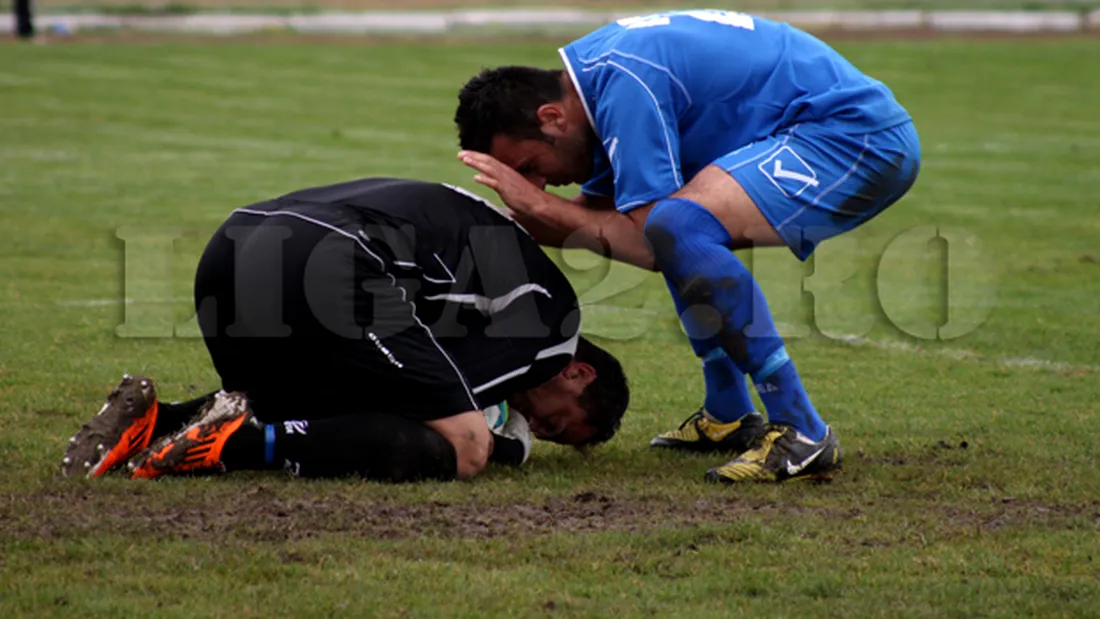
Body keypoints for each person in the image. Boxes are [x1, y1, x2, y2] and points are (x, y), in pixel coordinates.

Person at [454, 9, 922, 483]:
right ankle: (728, 414)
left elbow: (644, 240)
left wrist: (541, 207)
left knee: (678, 226)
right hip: (817, 130)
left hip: (852, 136)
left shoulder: (624, 82)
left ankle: (802, 431)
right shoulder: (601, 81)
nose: (541, 184)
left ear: (552, 118)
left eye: (531, 166)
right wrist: (483, 227)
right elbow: (594, 221)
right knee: (675, 226)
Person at [61, 178, 629, 482]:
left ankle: (161, 421)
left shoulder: (477, 287)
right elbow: (432, 416)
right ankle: (237, 445)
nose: (532, 418)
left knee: (306, 402)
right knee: (465, 448)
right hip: (333, 258)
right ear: (577, 371)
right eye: (552, 419)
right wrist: (510, 449)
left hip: (236, 241)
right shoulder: (552, 328)